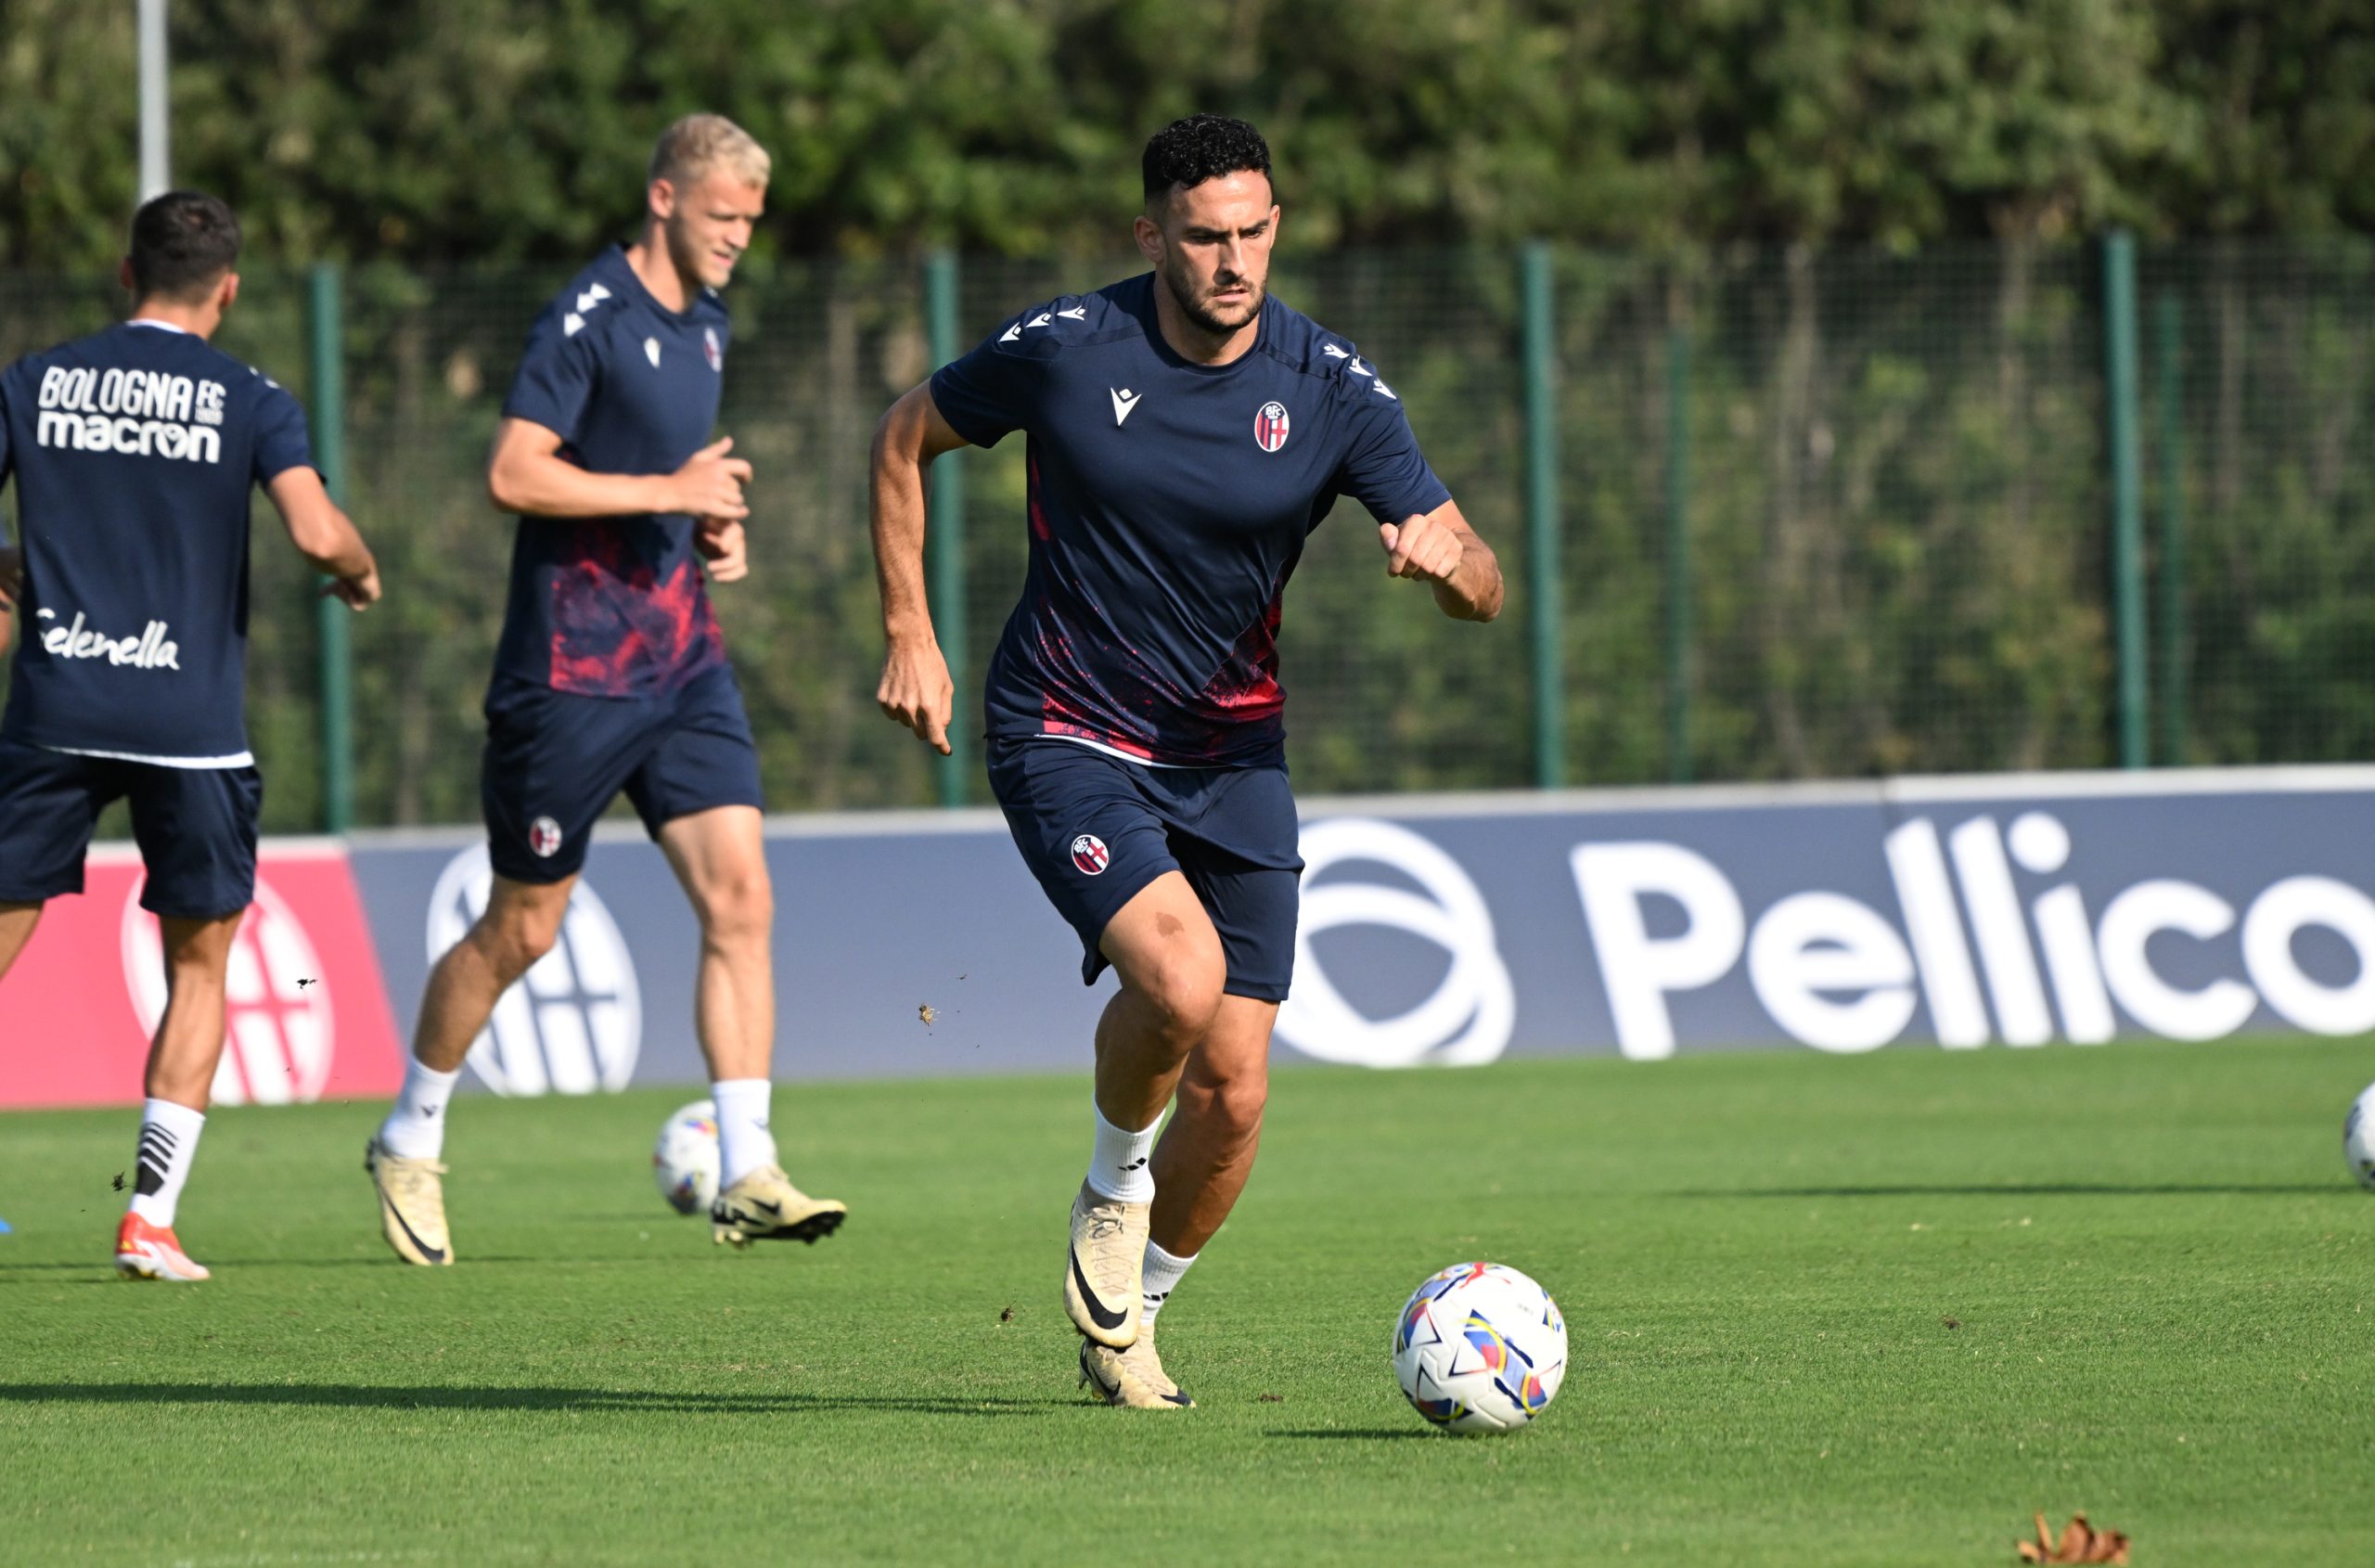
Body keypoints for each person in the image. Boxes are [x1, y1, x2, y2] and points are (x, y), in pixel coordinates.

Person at [867, 115, 1503, 1406]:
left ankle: (1133, 1314)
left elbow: (1482, 574)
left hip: (1234, 755)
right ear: (1150, 233)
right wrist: (909, 629)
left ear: (1277, 225)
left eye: (1253, 233)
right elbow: (902, 437)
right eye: (1203, 236)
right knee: (1180, 978)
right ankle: (1110, 1190)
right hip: (1065, 724)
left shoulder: (1330, 387)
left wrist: (1449, 573)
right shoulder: (1065, 351)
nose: (1232, 262)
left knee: (1238, 1087)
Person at [364, 113, 845, 1266]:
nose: (737, 238)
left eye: (751, 222)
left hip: (681, 664)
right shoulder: (589, 315)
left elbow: (675, 478)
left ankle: (747, 1167)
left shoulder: (710, 320)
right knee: (522, 928)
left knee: (743, 899)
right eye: (723, 216)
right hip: (568, 676)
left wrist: (709, 520)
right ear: (665, 198)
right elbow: (513, 469)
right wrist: (663, 489)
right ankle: (409, 1135)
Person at [0, 191, 381, 1281]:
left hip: (58, 707)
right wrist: (357, 567)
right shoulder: (253, 397)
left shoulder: (37, 379)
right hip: (190, 726)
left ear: (127, 275)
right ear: (230, 288)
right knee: (198, 964)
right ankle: (149, 1220)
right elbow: (314, 530)